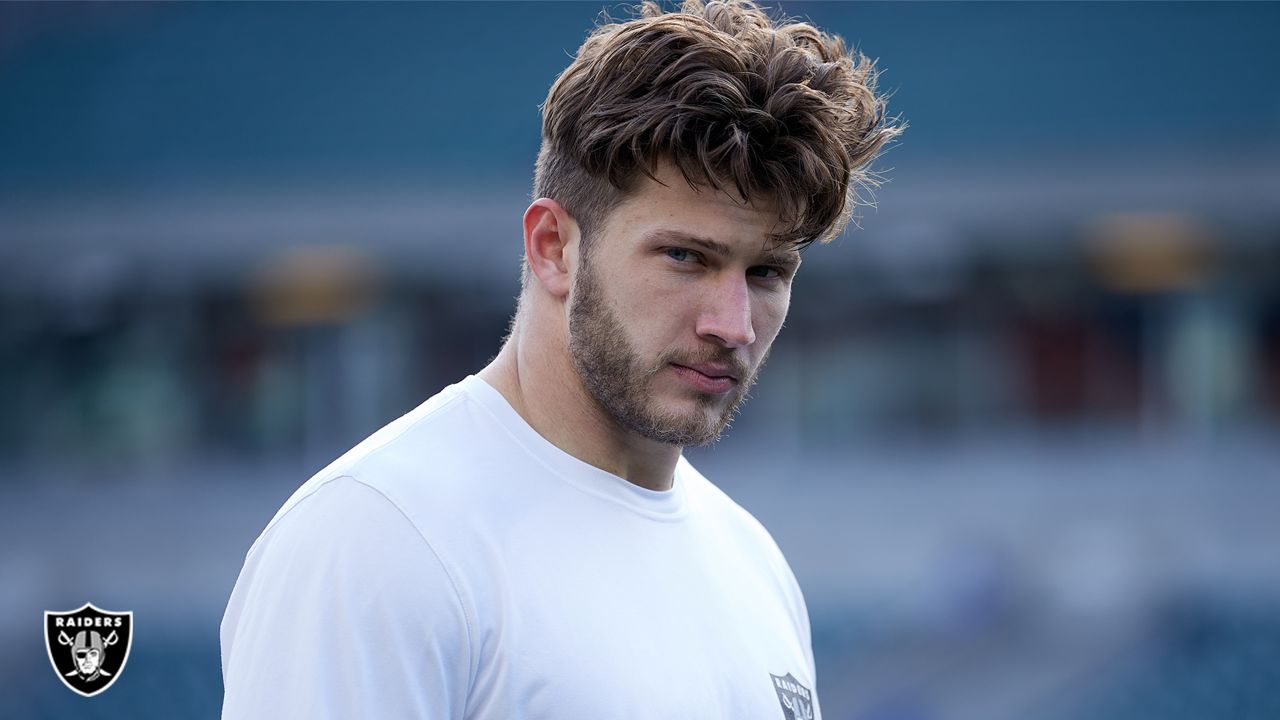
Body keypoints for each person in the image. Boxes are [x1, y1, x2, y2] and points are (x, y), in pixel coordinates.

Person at [220, 1, 899, 717]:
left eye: (767, 273)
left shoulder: (754, 563)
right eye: (685, 257)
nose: (732, 325)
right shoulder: (378, 541)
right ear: (553, 249)